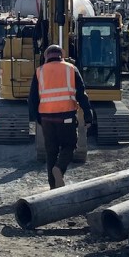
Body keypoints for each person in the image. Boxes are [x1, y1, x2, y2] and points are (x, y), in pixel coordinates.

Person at [28, 44, 96, 189]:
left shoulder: (39, 71)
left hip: (46, 118)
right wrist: (89, 116)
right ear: (62, 55)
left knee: (51, 152)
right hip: (66, 116)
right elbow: (82, 95)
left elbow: (32, 98)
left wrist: (37, 118)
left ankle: (53, 187)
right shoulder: (71, 69)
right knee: (69, 146)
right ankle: (59, 169)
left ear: (46, 57)